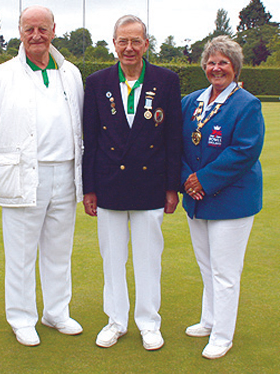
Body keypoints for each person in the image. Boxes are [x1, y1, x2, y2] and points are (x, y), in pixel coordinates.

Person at [0, 5, 84, 347]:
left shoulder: (71, 73)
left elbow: (79, 120)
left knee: (59, 249)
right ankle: (21, 317)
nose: (36, 35)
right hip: (23, 174)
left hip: (65, 172)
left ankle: (56, 312)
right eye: (29, 29)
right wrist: (11, 152)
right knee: (20, 252)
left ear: (53, 30)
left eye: (42, 29)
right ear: (20, 32)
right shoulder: (3, 74)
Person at [82, 15, 182, 351]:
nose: (129, 48)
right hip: (108, 182)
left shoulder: (166, 80)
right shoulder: (96, 82)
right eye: (122, 41)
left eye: (135, 41)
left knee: (148, 258)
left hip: (150, 183)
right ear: (114, 43)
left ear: (146, 44)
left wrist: (172, 186)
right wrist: (89, 188)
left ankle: (149, 322)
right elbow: (90, 140)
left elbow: (172, 139)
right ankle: (116, 321)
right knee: (112, 258)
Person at [181, 35, 264, 360]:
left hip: (232, 201)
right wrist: (187, 180)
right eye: (212, 63)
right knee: (206, 265)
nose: (216, 68)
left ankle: (222, 335)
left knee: (225, 272)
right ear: (205, 67)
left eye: (223, 63)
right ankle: (209, 319)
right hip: (197, 197)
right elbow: (178, 145)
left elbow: (244, 151)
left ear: (235, 68)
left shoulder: (247, 104)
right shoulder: (191, 102)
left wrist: (201, 179)